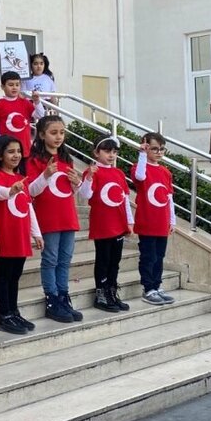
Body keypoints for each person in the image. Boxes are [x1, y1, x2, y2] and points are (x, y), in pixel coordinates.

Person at [25, 115, 83, 323]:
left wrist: (77, 182)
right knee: (50, 259)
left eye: (62, 132)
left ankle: (63, 296)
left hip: (67, 215)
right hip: (48, 217)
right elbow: (31, 190)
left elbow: (75, 190)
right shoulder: (34, 161)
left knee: (65, 259)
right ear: (41, 135)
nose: (59, 137)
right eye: (53, 132)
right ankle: (52, 299)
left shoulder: (66, 159)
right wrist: (45, 174)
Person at [0, 135, 41, 335]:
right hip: (5, 234)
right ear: (0, 155)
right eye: (11, 151)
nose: (16, 155)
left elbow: (28, 207)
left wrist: (36, 233)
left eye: (18, 151)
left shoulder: (21, 178)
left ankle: (14, 310)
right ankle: (5, 314)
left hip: (20, 234)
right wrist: (11, 190)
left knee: (16, 275)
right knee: (4, 274)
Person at [81, 137, 132, 313]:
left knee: (115, 261)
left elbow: (124, 198)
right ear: (96, 152)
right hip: (103, 224)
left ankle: (112, 291)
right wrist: (89, 177)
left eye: (114, 152)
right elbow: (85, 194)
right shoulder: (92, 172)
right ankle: (101, 294)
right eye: (107, 151)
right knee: (103, 260)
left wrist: (129, 221)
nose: (111, 155)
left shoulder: (118, 173)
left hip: (118, 223)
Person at [132, 133, 177, 306]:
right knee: (148, 256)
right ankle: (148, 288)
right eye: (154, 149)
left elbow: (169, 197)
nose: (158, 152)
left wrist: (172, 220)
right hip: (147, 221)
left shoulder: (165, 171)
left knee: (159, 256)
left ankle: (157, 286)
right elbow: (141, 177)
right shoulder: (138, 167)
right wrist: (142, 154)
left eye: (161, 149)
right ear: (146, 148)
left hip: (162, 221)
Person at [0, 71, 45, 158]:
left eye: (17, 85)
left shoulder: (25, 102)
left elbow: (40, 115)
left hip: (25, 149)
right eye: (11, 85)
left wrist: (37, 101)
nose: (14, 87)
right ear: (2, 86)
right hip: (7, 150)